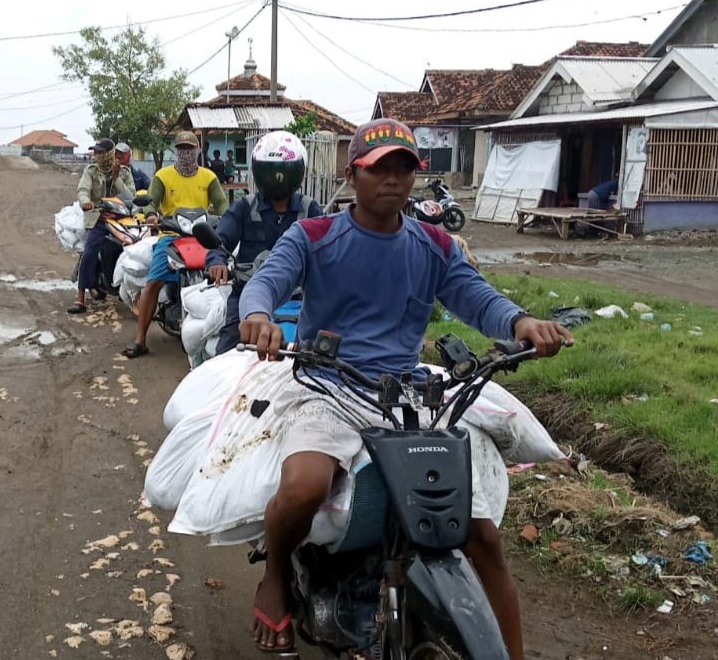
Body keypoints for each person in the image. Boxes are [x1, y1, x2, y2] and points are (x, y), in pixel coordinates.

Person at [238, 118, 573, 656]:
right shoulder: (315, 236)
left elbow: (477, 297)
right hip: (329, 384)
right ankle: (275, 577)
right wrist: (258, 315)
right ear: (353, 174)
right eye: (378, 168)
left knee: (481, 535)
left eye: (404, 167)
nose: (392, 179)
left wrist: (520, 324)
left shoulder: (435, 245)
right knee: (304, 485)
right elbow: (266, 280)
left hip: (407, 396)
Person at [206, 131, 321, 355]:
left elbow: (328, 250)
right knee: (227, 352)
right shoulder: (243, 207)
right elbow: (220, 241)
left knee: (328, 354)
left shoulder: (310, 210)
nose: (277, 178)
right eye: (270, 172)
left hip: (300, 297)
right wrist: (217, 261)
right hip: (247, 296)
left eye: (283, 172)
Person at [121, 131, 228, 358]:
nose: (186, 153)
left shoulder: (209, 177)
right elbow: (151, 201)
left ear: (198, 150)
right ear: (175, 151)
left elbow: (222, 205)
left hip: (202, 235)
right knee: (154, 281)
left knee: (225, 278)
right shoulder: (163, 176)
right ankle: (140, 339)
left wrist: (229, 220)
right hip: (171, 234)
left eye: (190, 149)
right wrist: (151, 214)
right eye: (181, 149)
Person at [68, 138, 136, 315]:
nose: (98, 156)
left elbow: (131, 196)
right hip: (98, 218)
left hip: (121, 220)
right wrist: (85, 202)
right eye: (96, 152)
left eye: (101, 152)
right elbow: (83, 190)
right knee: (90, 251)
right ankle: (81, 297)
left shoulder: (125, 172)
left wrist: (116, 178)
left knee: (134, 248)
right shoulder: (90, 171)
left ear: (110, 153)